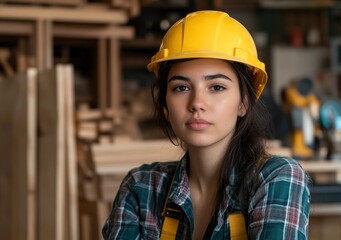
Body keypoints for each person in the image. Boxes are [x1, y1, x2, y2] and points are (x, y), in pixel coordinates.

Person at [102, 10, 310, 240]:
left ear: (243, 103)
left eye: (216, 87)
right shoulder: (141, 189)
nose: (197, 104)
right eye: (181, 88)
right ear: (166, 105)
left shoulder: (276, 179)